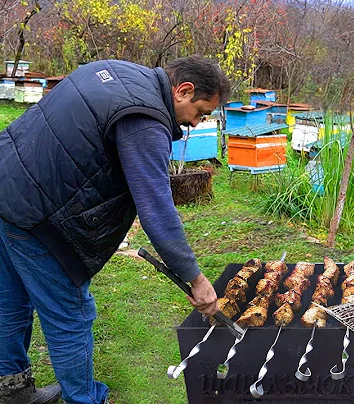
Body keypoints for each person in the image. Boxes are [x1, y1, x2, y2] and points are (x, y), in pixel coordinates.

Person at [0, 55, 230, 404]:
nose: (196, 123)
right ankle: (86, 399)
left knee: (11, 299)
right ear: (183, 91)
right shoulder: (145, 119)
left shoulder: (120, 71)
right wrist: (197, 280)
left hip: (7, 182)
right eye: (201, 112)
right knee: (70, 314)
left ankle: (11, 389)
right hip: (38, 213)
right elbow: (157, 210)